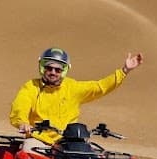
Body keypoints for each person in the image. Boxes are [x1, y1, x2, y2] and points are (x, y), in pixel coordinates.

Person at [8, 47, 143, 144]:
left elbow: (99, 87)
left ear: (64, 71)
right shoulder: (31, 87)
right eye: (49, 68)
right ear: (43, 68)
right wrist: (23, 123)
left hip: (68, 141)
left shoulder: (72, 87)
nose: (53, 72)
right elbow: (21, 106)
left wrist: (124, 71)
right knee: (28, 152)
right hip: (39, 140)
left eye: (58, 69)